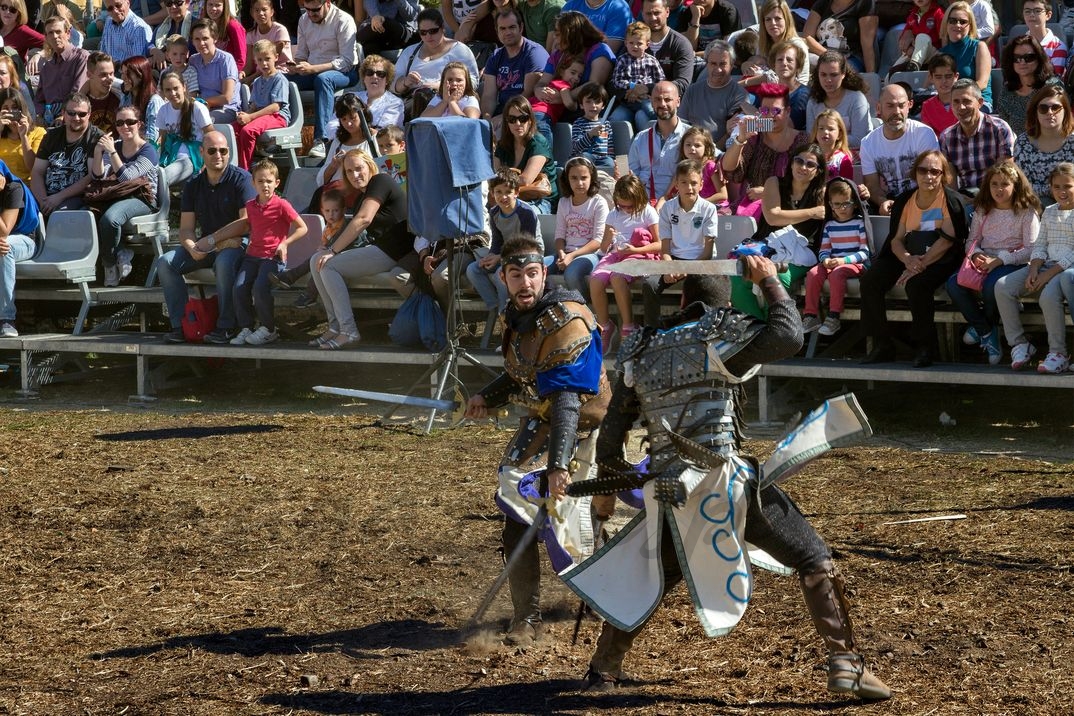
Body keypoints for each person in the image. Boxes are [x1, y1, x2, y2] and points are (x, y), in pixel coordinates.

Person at [569, 264, 891, 702]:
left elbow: (609, 444)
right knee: (813, 557)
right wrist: (768, 282)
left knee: (655, 575)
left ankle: (603, 668)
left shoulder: (640, 350)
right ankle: (846, 667)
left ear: (681, 304)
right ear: (722, 306)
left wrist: (624, 480)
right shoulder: (718, 336)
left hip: (671, 491)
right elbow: (789, 335)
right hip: (726, 482)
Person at [463, 234, 611, 648]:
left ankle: (605, 598)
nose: (525, 283)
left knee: (587, 524)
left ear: (545, 273)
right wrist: (485, 397)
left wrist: (558, 467)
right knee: (515, 517)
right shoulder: (518, 315)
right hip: (544, 421)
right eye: (516, 275)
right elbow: (519, 374)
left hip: (583, 428)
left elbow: (567, 401)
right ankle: (526, 618)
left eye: (532, 274)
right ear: (504, 278)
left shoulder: (567, 320)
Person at [859, 149, 966, 368]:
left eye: (935, 171)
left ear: (943, 175)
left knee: (917, 285)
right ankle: (882, 344)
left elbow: (947, 241)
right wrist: (908, 260)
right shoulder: (904, 200)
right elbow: (896, 240)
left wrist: (920, 265)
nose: (928, 175)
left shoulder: (951, 200)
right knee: (871, 281)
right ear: (915, 172)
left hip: (941, 257)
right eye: (923, 170)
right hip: (908, 253)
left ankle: (924, 347)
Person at [157, 131, 257, 345]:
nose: (218, 155)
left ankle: (227, 326)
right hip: (208, 245)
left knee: (224, 262)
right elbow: (185, 228)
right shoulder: (194, 185)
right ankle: (181, 325)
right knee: (165, 263)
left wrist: (211, 239)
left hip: (239, 243)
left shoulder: (243, 179)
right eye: (212, 150)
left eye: (223, 150)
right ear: (201, 152)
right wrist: (191, 246)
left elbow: (245, 222)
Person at [308, 149, 413, 350]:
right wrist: (328, 248)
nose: (355, 175)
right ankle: (335, 326)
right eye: (348, 171)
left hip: (397, 251)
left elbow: (363, 219)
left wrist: (334, 251)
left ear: (369, 166)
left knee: (329, 265)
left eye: (359, 168)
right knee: (316, 259)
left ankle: (349, 331)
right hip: (380, 250)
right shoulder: (359, 198)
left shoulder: (381, 180)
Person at [197, 160, 305, 346]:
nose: (265, 185)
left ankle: (269, 329)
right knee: (239, 287)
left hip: (273, 258)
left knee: (260, 288)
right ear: (253, 183)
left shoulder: (282, 205)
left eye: (269, 181)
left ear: (277, 183)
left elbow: (302, 228)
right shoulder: (251, 206)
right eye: (261, 181)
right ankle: (246, 326)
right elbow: (250, 227)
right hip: (252, 256)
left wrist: (285, 243)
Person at [946, 160, 1038, 366]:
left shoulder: (1027, 211)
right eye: (994, 184)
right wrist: (976, 255)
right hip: (983, 260)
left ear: (1015, 186)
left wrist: (1000, 260)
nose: (999, 189)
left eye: (1004, 184)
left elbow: (1031, 249)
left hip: (1012, 263)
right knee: (953, 284)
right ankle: (986, 330)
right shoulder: (982, 209)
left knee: (991, 286)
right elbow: (972, 241)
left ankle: (984, 330)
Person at [730, 142, 827, 317]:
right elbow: (773, 217)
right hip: (766, 247)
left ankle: (773, 331)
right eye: (799, 161)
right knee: (737, 277)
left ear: (818, 170)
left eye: (810, 164)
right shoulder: (773, 182)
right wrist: (813, 213)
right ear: (791, 163)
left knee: (777, 278)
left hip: (800, 254)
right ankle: (755, 328)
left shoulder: (822, 193)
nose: (803, 167)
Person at [994, 162, 1074, 374]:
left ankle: (1058, 353)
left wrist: (1047, 274)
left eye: (1067, 186)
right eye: (1056, 187)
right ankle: (1020, 344)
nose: (1062, 192)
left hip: (1064, 270)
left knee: (1047, 297)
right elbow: (1040, 244)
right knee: (1002, 287)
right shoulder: (1048, 211)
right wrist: (1033, 269)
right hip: (1044, 266)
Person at [89, 104, 158, 287]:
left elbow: (127, 177)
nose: (125, 127)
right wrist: (98, 152)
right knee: (88, 214)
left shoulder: (148, 150)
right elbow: (99, 175)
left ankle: (109, 265)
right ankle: (120, 253)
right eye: (120, 123)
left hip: (142, 198)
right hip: (116, 195)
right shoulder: (116, 146)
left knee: (110, 219)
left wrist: (111, 152)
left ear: (139, 124)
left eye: (130, 122)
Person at [588, 174, 660, 349]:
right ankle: (605, 325)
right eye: (622, 205)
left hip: (639, 254)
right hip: (616, 253)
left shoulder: (648, 212)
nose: (626, 209)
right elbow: (604, 248)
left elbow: (659, 244)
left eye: (630, 206)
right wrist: (609, 237)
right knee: (596, 280)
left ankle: (628, 326)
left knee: (617, 277)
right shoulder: (613, 215)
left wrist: (635, 250)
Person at [642, 158, 717, 325]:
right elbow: (665, 247)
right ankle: (651, 333)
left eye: (693, 183)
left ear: (701, 184)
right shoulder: (668, 208)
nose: (689, 187)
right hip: (674, 260)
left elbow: (707, 252)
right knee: (650, 284)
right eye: (684, 182)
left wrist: (687, 269)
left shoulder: (709, 209)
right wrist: (669, 267)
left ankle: (704, 329)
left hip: (700, 263)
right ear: (676, 184)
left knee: (704, 285)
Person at [723, 83, 807, 219]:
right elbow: (729, 168)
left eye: (775, 111)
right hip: (750, 208)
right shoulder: (755, 137)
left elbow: (805, 183)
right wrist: (740, 139)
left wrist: (769, 192)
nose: (769, 116)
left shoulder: (802, 141)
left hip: (786, 207)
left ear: (787, 111)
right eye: (764, 111)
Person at [801, 176, 870, 336]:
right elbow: (824, 249)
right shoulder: (830, 226)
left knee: (837, 274)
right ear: (830, 205)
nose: (842, 208)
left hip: (854, 264)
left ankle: (834, 316)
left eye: (846, 203)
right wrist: (825, 260)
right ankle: (810, 315)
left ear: (854, 202)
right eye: (837, 204)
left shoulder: (859, 224)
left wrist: (842, 261)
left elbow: (864, 252)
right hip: (833, 262)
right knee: (813, 274)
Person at [291, 0, 359, 159]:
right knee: (283, 81)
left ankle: (322, 139)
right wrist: (295, 67)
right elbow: (301, 54)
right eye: (306, 9)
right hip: (313, 70)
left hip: (345, 72)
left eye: (315, 10)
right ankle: (282, 134)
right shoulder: (304, 20)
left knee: (323, 80)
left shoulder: (343, 20)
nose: (310, 14)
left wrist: (314, 68)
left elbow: (347, 61)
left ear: (327, 3)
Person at [466, 169, 540, 314]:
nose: (503, 196)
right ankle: (494, 308)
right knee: (473, 270)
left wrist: (499, 258)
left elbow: (528, 246)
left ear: (516, 192)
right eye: (498, 192)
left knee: (502, 274)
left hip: (528, 255)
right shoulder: (494, 213)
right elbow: (497, 242)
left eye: (508, 192)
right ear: (492, 193)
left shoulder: (526, 213)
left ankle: (506, 310)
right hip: (506, 255)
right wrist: (490, 257)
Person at [859, 83, 939, 216]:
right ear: (879, 108)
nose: (896, 112)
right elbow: (872, 185)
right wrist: (882, 202)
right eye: (890, 106)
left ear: (910, 105)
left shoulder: (923, 134)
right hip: (890, 202)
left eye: (901, 105)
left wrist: (907, 206)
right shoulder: (868, 143)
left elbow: (931, 179)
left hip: (923, 200)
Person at [393, 9, 478, 122]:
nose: (428, 36)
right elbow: (392, 83)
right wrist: (405, 82)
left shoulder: (460, 50)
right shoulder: (410, 51)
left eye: (433, 31)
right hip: (412, 100)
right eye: (423, 32)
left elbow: (473, 81)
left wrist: (441, 86)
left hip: (443, 99)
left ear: (443, 28)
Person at [30, 93, 102, 215]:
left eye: (82, 114)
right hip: (46, 196)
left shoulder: (96, 138)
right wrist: (43, 201)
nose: (76, 118)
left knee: (59, 215)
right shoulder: (51, 136)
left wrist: (58, 198)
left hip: (77, 197)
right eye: (71, 113)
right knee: (22, 209)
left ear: (89, 114)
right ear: (63, 113)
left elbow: (91, 177)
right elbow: (37, 172)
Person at [938, 78, 1013, 197]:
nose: (961, 107)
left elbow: (1005, 175)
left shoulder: (999, 129)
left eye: (966, 101)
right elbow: (951, 185)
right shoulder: (947, 137)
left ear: (980, 102)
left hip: (996, 196)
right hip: (965, 199)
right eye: (956, 102)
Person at [479, 7, 547, 131]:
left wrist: (505, 116)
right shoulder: (495, 56)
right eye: (503, 28)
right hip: (503, 109)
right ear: (497, 31)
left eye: (512, 27)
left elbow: (528, 93)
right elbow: (489, 95)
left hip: (526, 111)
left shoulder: (534, 53)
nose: (507, 32)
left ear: (521, 28)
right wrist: (487, 118)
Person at [550, 156, 606, 296]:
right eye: (574, 178)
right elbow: (560, 235)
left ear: (591, 178)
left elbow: (598, 241)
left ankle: (585, 309)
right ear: (567, 180)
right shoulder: (564, 202)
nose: (579, 183)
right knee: (536, 266)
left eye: (584, 177)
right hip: (567, 253)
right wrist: (562, 253)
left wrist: (572, 256)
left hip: (591, 255)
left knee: (572, 274)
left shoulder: (598, 203)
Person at [628, 80, 688, 207]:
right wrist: (623, 175)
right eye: (657, 100)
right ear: (651, 102)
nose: (662, 104)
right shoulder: (641, 138)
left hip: (679, 205)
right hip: (644, 205)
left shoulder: (691, 136)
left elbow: (714, 157)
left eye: (667, 99)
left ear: (678, 101)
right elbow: (632, 176)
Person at [537, 11, 614, 109]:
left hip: (589, 110)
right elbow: (542, 82)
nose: (554, 37)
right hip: (554, 108)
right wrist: (539, 91)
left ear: (572, 35)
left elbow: (595, 84)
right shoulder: (559, 54)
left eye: (558, 34)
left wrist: (563, 97)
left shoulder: (600, 50)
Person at [495, 95, 558, 214]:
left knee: (518, 213)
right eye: (512, 119)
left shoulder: (539, 142)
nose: (517, 123)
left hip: (540, 200)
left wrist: (500, 185)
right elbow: (495, 175)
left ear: (530, 120)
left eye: (522, 118)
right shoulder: (502, 145)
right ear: (506, 122)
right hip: (509, 197)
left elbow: (525, 180)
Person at [1014, 85, 1074, 207]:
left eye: (1056, 107)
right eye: (1043, 108)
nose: (1050, 112)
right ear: (1036, 112)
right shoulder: (1023, 143)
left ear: (1065, 111)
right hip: (1035, 203)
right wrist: (1052, 190)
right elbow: (1022, 184)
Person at [678, 40, 747, 147]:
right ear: (706, 64)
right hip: (691, 151)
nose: (718, 70)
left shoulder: (739, 94)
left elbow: (732, 135)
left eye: (723, 64)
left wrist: (710, 155)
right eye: (713, 64)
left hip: (721, 155)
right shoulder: (692, 90)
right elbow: (681, 126)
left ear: (732, 65)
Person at [233, 39, 289, 169]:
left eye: (267, 59)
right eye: (259, 60)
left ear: (276, 57)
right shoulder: (257, 81)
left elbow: (275, 107)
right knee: (233, 129)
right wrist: (245, 115)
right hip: (260, 116)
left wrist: (251, 117)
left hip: (278, 116)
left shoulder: (279, 79)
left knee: (248, 130)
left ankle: (244, 169)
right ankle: (235, 165)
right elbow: (253, 106)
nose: (264, 63)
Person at [0, 157, 39, 337]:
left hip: (25, 240)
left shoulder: (13, 189)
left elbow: (4, 231)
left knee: (3, 248)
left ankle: (6, 318)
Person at [153, 71, 214, 185]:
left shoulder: (197, 108)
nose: (173, 93)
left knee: (162, 178)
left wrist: (207, 163)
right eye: (168, 90)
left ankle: (158, 202)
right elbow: (163, 138)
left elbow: (211, 137)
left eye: (176, 88)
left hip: (192, 156)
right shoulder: (163, 110)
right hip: (171, 154)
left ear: (184, 87)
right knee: (153, 174)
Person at [804, 52, 872, 150]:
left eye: (833, 75)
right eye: (823, 75)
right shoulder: (813, 102)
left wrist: (827, 140)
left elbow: (859, 139)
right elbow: (811, 138)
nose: (828, 80)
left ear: (843, 74)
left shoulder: (857, 99)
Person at [996, 34, 1059, 137]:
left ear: (1039, 58)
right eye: (1016, 58)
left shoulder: (1052, 87)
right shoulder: (1007, 91)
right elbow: (1004, 129)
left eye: (1028, 57)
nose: (1022, 62)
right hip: (1017, 148)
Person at [33, 13, 87, 127]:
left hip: (72, 117)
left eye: (58, 32)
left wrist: (64, 115)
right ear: (46, 38)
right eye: (50, 33)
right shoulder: (47, 67)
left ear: (68, 34)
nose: (55, 36)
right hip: (47, 119)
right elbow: (39, 98)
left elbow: (78, 92)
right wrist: (38, 115)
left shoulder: (81, 57)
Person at [608, 21, 662, 130]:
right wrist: (634, 87)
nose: (635, 46)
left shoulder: (652, 61)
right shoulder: (622, 60)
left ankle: (661, 123)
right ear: (626, 43)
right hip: (626, 101)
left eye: (639, 43)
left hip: (645, 98)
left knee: (649, 109)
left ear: (647, 44)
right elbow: (617, 81)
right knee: (614, 119)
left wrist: (646, 90)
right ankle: (614, 145)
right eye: (631, 43)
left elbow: (661, 81)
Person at [939, 2, 992, 112]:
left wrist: (955, 97)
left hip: (978, 103)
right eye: (953, 21)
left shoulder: (979, 47)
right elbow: (930, 83)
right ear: (946, 23)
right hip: (950, 103)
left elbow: (982, 83)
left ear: (971, 25)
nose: (957, 25)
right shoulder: (941, 53)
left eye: (963, 22)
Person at [636, 0, 693, 103]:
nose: (653, 18)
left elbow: (682, 83)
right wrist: (629, 91)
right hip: (632, 101)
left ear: (667, 12)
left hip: (665, 104)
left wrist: (647, 88)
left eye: (657, 13)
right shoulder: (634, 42)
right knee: (617, 117)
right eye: (648, 13)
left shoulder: (680, 44)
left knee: (641, 116)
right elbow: (614, 80)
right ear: (642, 14)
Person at [802, 0, 878, 73]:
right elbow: (807, 37)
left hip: (850, 57)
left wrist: (871, 75)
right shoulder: (822, 3)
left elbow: (867, 45)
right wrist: (830, 56)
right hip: (821, 54)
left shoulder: (865, 4)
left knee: (833, 70)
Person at [189, 18, 241, 123]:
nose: (201, 43)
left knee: (203, 121)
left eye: (205, 38)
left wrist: (202, 102)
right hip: (201, 108)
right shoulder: (194, 60)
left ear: (215, 38)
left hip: (226, 109)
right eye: (197, 39)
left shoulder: (226, 59)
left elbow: (227, 97)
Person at [665, 124, 727, 210]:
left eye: (697, 145)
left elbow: (723, 195)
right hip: (691, 209)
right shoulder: (682, 168)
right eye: (688, 144)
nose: (692, 148)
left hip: (714, 208)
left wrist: (700, 203)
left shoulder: (710, 166)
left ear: (706, 148)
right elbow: (668, 194)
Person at [528, 54, 582, 143]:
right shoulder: (563, 85)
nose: (576, 78)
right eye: (573, 73)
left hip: (530, 110)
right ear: (561, 72)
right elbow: (569, 103)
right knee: (544, 147)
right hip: (541, 115)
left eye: (579, 76)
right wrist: (576, 105)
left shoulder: (553, 84)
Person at [755, 0, 810, 85]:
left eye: (777, 19)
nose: (773, 23)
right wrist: (747, 65)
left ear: (786, 20)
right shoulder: (762, 44)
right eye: (768, 19)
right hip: (765, 91)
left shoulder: (797, 45)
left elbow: (802, 81)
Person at [888, 0, 944, 74]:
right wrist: (909, 47)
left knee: (922, 37)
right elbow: (903, 40)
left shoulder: (938, 12)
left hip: (934, 53)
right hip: (914, 52)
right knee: (891, 73)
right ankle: (890, 80)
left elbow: (944, 37)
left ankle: (914, 66)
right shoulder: (913, 14)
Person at [0, 87, 43, 181]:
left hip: (24, 187)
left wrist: (23, 137)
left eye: (15, 108)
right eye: (6, 108)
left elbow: (33, 168)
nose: (10, 112)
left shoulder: (38, 132)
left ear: (22, 109)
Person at [120, 56, 166, 143]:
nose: (123, 77)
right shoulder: (127, 97)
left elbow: (153, 137)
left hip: (146, 151)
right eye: (122, 73)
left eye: (128, 74)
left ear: (141, 75)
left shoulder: (154, 101)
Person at [570, 82, 613, 171]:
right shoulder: (578, 123)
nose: (593, 105)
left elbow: (610, 147)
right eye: (588, 101)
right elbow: (576, 147)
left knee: (610, 162)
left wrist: (613, 159)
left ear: (603, 105)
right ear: (581, 105)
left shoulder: (607, 124)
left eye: (597, 102)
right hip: (585, 157)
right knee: (584, 157)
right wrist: (590, 134)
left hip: (602, 159)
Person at [561, 0, 632, 53]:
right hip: (567, 59)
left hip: (594, 63)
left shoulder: (618, 7)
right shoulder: (570, 5)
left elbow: (608, 51)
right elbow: (558, 43)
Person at [244, 0, 293, 75]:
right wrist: (241, 74)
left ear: (272, 12)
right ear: (252, 13)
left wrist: (251, 79)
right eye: (257, 10)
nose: (260, 13)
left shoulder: (279, 30)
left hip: (280, 72)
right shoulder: (251, 34)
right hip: (260, 75)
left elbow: (270, 63)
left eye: (264, 10)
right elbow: (249, 65)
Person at [355, 54, 403, 130]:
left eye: (380, 74)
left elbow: (385, 131)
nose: (374, 76)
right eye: (369, 72)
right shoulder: (352, 97)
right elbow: (331, 126)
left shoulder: (395, 103)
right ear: (364, 78)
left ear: (387, 80)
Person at [99, 0, 152, 64]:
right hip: (109, 68)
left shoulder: (139, 28)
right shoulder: (109, 21)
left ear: (128, 3)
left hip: (127, 71)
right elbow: (103, 52)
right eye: (110, 9)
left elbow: (136, 65)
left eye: (118, 5)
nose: (115, 11)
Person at [1022, 0, 1066, 76]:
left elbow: (1054, 79)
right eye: (1027, 11)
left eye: (1037, 11)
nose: (1032, 14)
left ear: (1048, 15)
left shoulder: (1057, 47)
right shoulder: (1018, 45)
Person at [79, 51, 119, 135]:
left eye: (111, 73)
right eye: (103, 75)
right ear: (89, 75)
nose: (109, 79)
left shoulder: (120, 96)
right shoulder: (80, 103)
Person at [919, 52, 958, 136]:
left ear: (956, 77)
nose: (944, 81)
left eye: (948, 76)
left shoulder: (965, 103)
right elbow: (927, 137)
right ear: (931, 78)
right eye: (938, 77)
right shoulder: (927, 106)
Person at [204, 0, 247, 76]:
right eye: (210, 4)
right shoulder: (205, 25)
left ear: (225, 6)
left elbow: (241, 59)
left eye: (217, 5)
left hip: (229, 73)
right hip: (210, 71)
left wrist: (230, 75)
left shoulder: (233, 26)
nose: (213, 8)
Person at [809, 108, 854, 181]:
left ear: (839, 134)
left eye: (831, 129)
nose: (825, 132)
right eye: (821, 128)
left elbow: (846, 187)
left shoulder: (843, 159)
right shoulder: (808, 155)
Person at [149, 0, 193, 70]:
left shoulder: (195, 25)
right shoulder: (161, 27)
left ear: (187, 3)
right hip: (163, 71)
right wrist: (156, 51)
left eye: (178, 2)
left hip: (188, 71)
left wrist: (169, 55)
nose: (173, 6)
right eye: (168, 3)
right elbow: (150, 44)